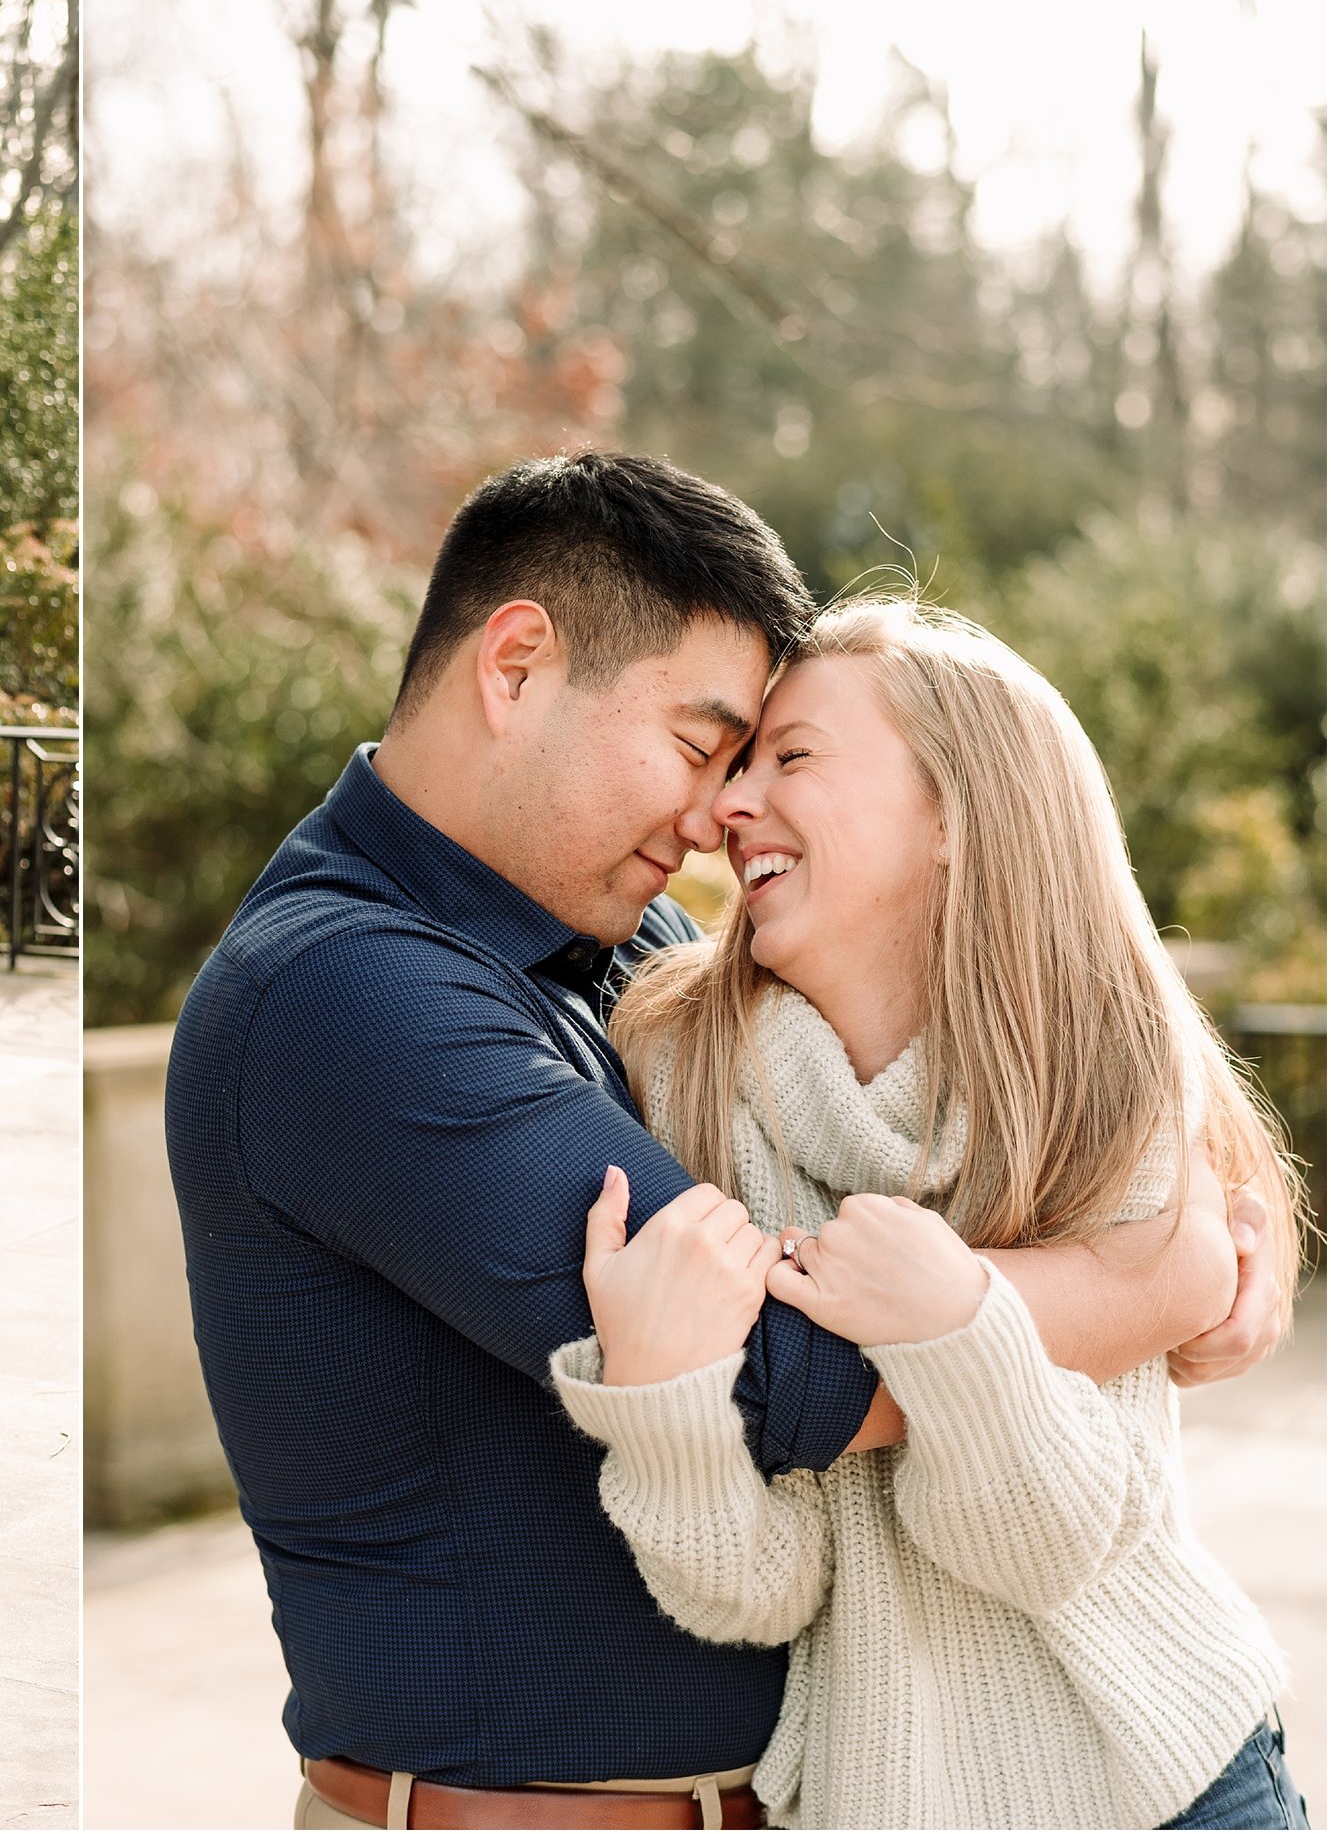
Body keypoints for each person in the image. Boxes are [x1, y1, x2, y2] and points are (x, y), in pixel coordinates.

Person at [162, 452, 1288, 1831]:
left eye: (759, 759)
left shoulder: (632, 951)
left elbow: (991, 1043)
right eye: (704, 747)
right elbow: (786, 1371)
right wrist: (1154, 1279)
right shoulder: (344, 991)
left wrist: (1228, 1206)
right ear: (514, 669)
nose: (717, 814)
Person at [551, 596, 1303, 1829]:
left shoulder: (1096, 1069)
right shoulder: (678, 1066)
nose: (728, 806)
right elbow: (764, 1589)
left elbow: (1047, 1548)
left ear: (955, 810)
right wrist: (664, 1405)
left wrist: (960, 1322)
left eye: (791, 756)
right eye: (737, 764)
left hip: (1169, 1782)